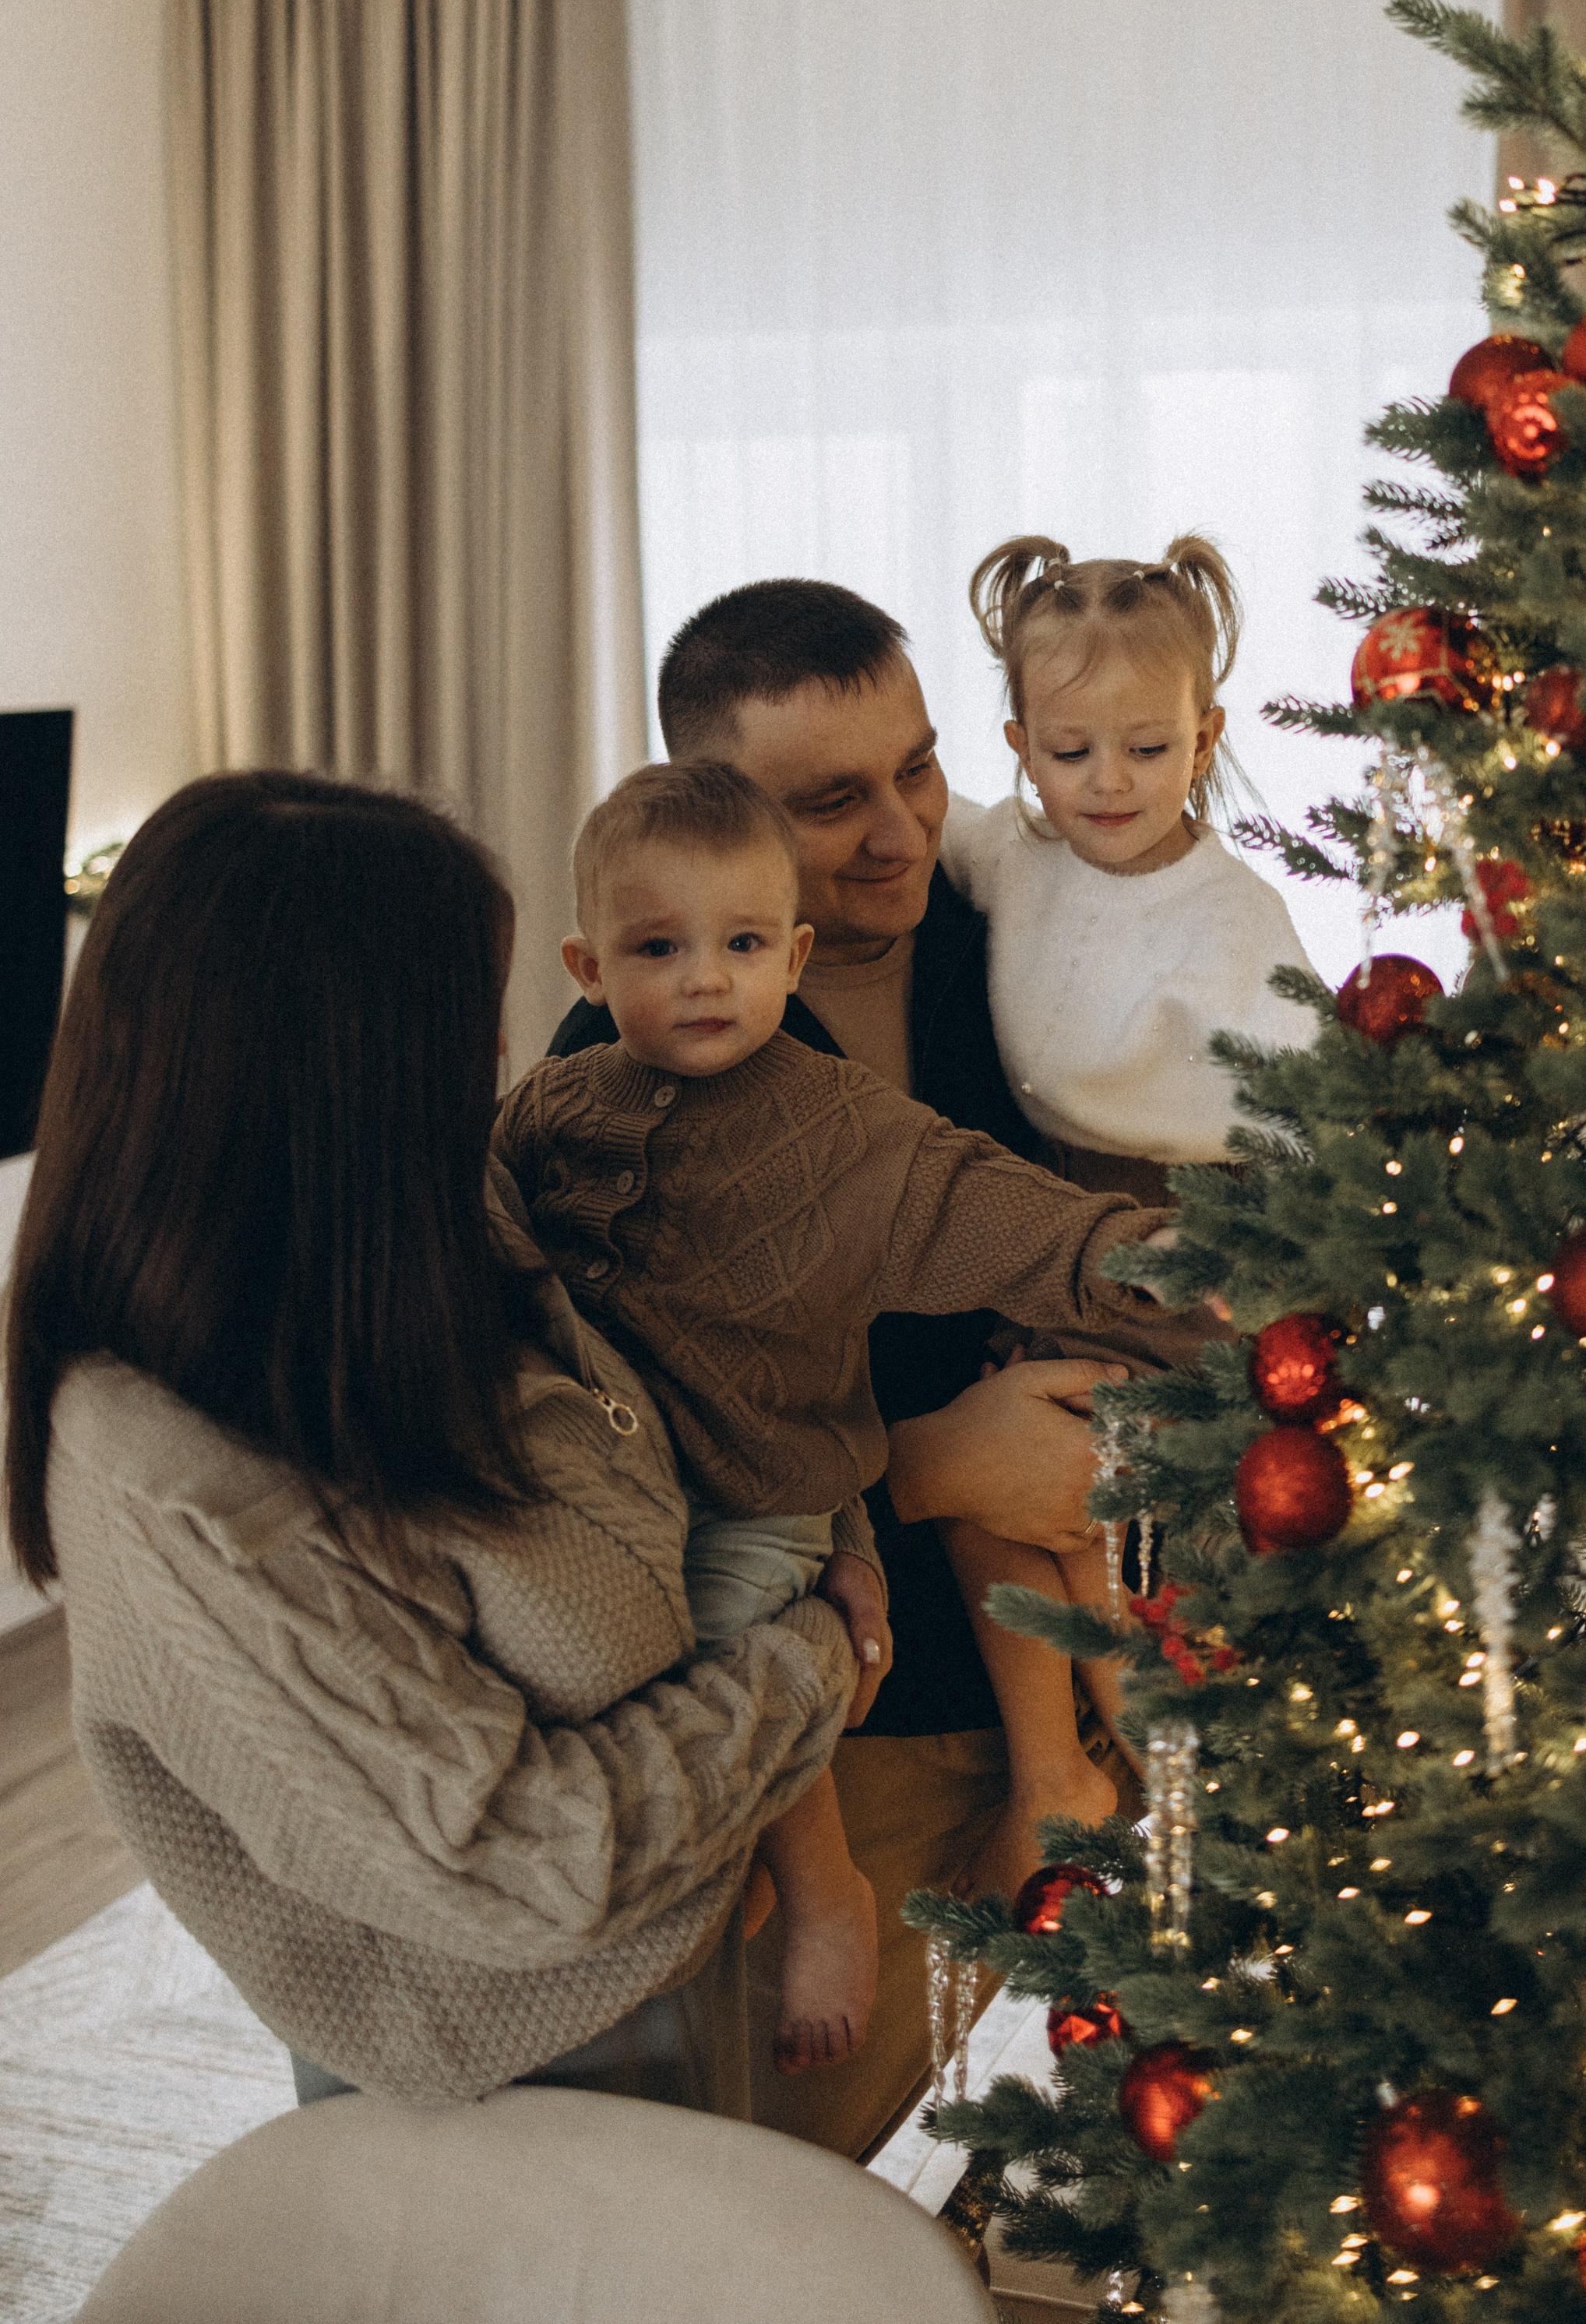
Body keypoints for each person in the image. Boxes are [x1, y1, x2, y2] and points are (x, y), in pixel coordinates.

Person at [2, 773, 862, 2113]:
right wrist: (820, 1654)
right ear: (342, 1067)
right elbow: (529, 1861)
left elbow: (707, 1391)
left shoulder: (433, 1221)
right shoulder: (175, 1480)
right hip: (501, 2086)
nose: (503, 1058)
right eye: (465, 1023)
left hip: (681, 1967)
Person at [541, 579, 1158, 2162]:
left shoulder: (1019, 930)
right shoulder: (605, 1089)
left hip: (1099, 1663)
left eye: (919, 768)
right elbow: (596, 1469)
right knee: (809, 2177)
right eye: (831, 801)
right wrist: (935, 1459)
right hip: (847, 1723)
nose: (899, 829)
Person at [937, 533, 1319, 1834]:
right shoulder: (1014, 859)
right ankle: (1057, 1769)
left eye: (1147, 749)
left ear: (1205, 734)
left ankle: (1167, 1770)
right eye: (1070, 749)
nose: (1108, 783)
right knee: (989, 1494)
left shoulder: (1232, 916)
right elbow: (903, 813)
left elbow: (1316, 1113)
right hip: (1050, 1231)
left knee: (1105, 1521)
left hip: (1189, 1239)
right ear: (1019, 740)